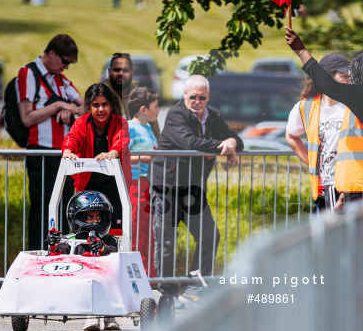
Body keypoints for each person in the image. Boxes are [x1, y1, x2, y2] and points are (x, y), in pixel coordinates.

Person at [151, 75, 243, 307]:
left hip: (193, 189)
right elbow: (190, 142)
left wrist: (231, 142)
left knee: (209, 236)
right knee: (166, 242)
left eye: (202, 97)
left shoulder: (213, 115)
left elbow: (236, 140)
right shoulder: (175, 114)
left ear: (208, 97)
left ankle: (195, 287)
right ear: (184, 95)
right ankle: (167, 294)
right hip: (167, 187)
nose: (197, 101)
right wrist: (224, 145)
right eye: (193, 96)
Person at [285, 28, 363, 205]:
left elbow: (330, 87)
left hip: (361, 189)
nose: (351, 77)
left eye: (353, 71)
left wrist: (302, 51)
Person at [18, 33, 83, 251]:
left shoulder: (60, 79)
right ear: (52, 53)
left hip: (63, 153)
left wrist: (70, 109)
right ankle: (38, 253)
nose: (66, 67)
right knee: (42, 206)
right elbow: (27, 118)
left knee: (65, 207)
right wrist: (58, 107)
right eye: (64, 62)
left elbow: (85, 107)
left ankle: (62, 254)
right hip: (41, 152)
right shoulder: (28, 73)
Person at [61, 83, 131, 237]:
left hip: (116, 189)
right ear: (88, 106)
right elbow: (72, 138)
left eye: (105, 104)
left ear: (111, 106)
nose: (101, 109)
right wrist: (68, 152)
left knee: (116, 235)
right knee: (87, 234)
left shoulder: (120, 122)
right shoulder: (81, 122)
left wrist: (112, 153)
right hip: (88, 191)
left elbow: (121, 140)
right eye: (96, 105)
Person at [45, 191, 119, 331]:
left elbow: (113, 252)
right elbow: (56, 258)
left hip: (104, 285)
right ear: (76, 218)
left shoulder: (109, 240)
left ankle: (108, 316)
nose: (95, 221)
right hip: (75, 284)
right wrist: (53, 245)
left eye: (98, 217)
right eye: (90, 217)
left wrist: (102, 248)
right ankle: (91, 316)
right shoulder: (69, 240)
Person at [126, 87, 160, 276]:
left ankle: (149, 278)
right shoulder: (129, 127)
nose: (158, 110)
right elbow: (120, 155)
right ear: (143, 109)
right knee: (136, 231)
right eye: (155, 106)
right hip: (135, 184)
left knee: (149, 233)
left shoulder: (148, 128)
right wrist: (144, 158)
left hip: (148, 185)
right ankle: (134, 276)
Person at [104, 52, 161, 141]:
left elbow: (155, 132)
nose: (121, 73)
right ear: (109, 71)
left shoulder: (143, 97)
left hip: (139, 152)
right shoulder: (100, 95)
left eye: (125, 70)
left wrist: (156, 153)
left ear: (132, 71)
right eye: (116, 70)